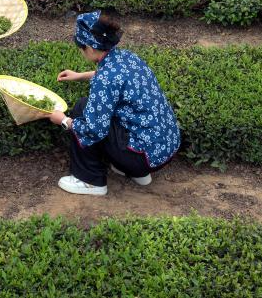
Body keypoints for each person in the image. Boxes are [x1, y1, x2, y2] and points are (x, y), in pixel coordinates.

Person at [48, 11, 181, 196]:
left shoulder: (106, 79)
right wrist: (81, 75)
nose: (81, 51)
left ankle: (90, 180)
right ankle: (139, 175)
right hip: (164, 148)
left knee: (82, 108)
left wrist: (63, 120)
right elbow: (115, 78)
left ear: (91, 48)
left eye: (81, 47)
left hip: (141, 157)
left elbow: (94, 130)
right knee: (103, 111)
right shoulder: (128, 57)